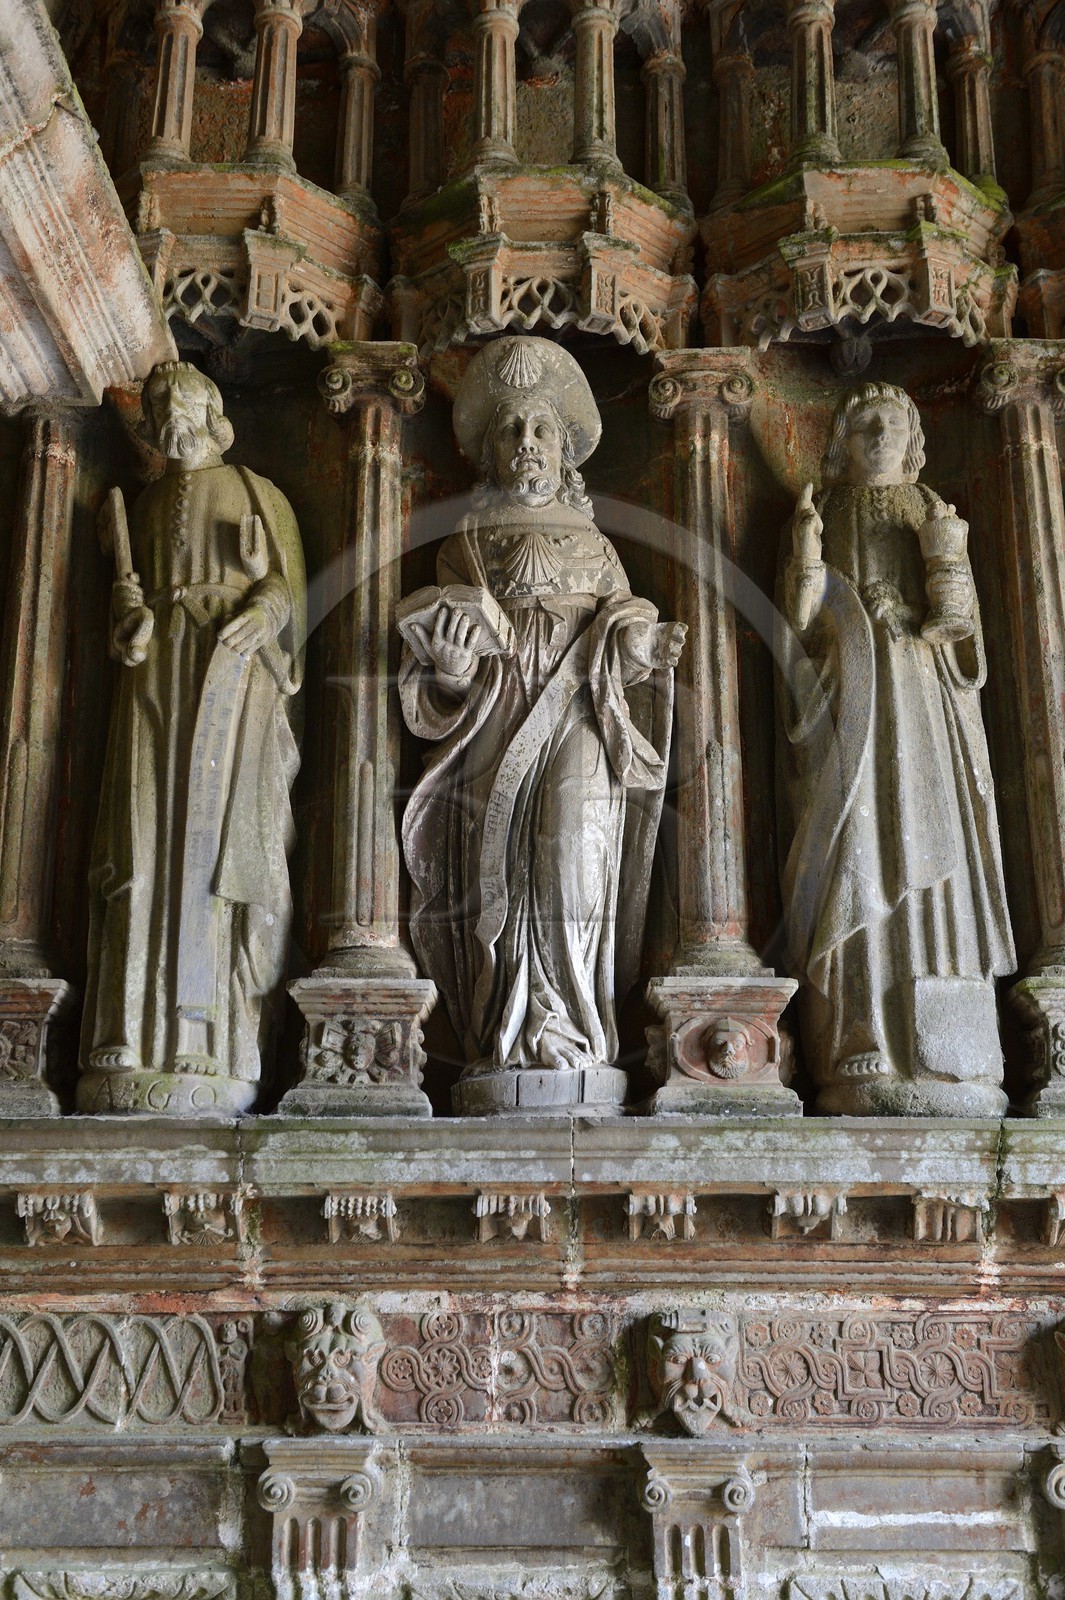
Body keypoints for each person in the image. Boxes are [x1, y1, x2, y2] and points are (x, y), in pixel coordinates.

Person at [400, 337, 685, 1114]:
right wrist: (453, 670)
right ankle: (507, 1033)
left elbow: (620, 633)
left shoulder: (596, 545)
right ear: (489, 450)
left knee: (572, 856)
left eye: (540, 430)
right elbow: (435, 667)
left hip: (578, 720)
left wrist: (639, 641)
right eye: (510, 430)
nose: (526, 444)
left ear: (565, 450)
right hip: (494, 726)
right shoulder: (462, 545)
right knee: (498, 869)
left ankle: (571, 1025)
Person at [777, 381, 1015, 1115]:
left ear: (914, 441)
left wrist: (939, 567)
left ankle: (954, 1044)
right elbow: (798, 630)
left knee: (934, 858)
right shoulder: (830, 510)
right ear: (839, 443)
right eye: (863, 425)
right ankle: (860, 1035)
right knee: (856, 852)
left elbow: (960, 630)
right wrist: (807, 563)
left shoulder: (925, 508)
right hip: (852, 716)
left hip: (923, 711)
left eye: (891, 424)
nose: (877, 435)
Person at [77, 362, 305, 1116]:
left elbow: (291, 592)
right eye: (159, 409)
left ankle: (205, 1041)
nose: (172, 417)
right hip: (154, 687)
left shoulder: (255, 490)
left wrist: (266, 613)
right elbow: (127, 613)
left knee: (213, 856)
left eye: (184, 403)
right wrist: (131, 627)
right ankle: (123, 1031)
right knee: (138, 846)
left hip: (232, 686)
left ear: (211, 412)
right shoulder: (140, 507)